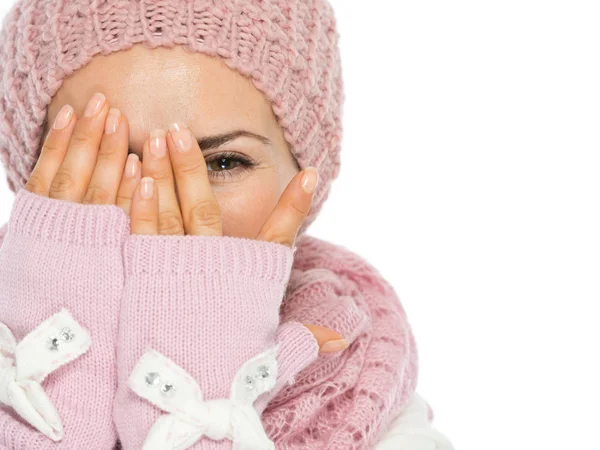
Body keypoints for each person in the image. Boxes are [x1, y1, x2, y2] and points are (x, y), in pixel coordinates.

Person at [0, 0, 454, 448]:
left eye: (221, 161)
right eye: (106, 158)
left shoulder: (372, 410)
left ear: (303, 175)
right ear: (34, 185)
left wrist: (204, 407)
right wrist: (43, 395)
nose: (159, 207)